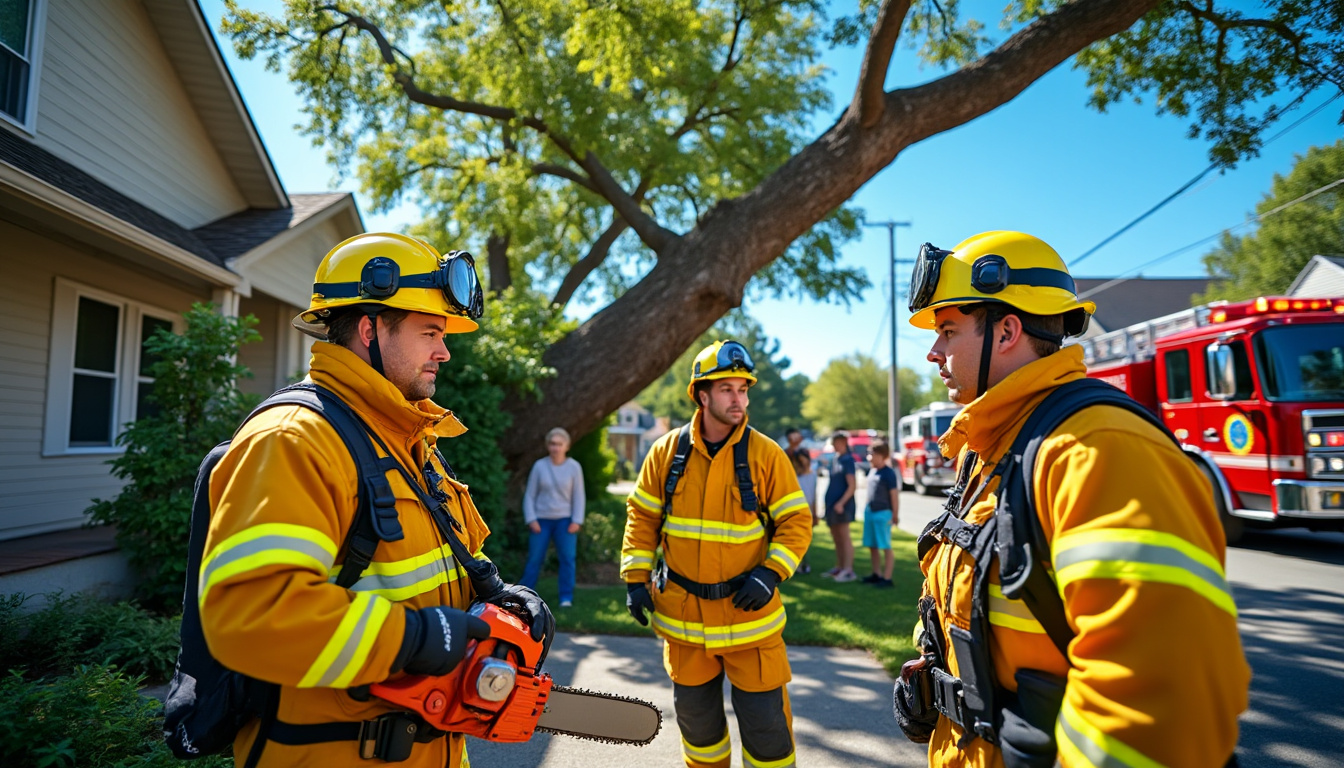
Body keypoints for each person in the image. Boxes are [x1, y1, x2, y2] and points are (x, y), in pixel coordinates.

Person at [895, 231, 1249, 766]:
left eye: (947, 330)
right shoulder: (993, 446)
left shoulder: (1099, 451)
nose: (933, 351)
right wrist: (934, 665)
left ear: (1008, 329)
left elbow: (1158, 702)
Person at [199, 233, 554, 767]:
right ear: (369, 330)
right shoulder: (295, 440)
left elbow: (430, 566)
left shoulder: (406, 440)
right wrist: (416, 638)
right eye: (430, 331)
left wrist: (496, 595)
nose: (445, 350)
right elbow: (251, 613)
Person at [620, 340, 813, 768]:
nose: (738, 399)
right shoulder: (666, 453)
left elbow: (796, 523)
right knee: (700, 735)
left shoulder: (766, 455)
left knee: (769, 738)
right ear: (702, 395)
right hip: (685, 624)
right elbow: (642, 519)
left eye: (743, 390)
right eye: (727, 389)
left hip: (751, 625)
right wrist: (635, 580)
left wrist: (770, 574)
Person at [521, 427, 586, 608]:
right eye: (552, 444)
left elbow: (578, 496)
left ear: (567, 446)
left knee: (567, 559)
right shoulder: (540, 466)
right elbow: (530, 495)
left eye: (559, 444)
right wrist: (531, 519)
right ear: (548, 446)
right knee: (534, 558)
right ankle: (523, 596)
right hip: (541, 521)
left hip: (565, 521)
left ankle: (566, 597)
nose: (555, 447)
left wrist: (577, 520)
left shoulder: (574, 467)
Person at [860, 440, 899, 588]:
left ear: (882, 456)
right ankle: (876, 574)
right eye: (869, 454)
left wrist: (895, 514)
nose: (869, 457)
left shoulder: (889, 474)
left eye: (873, 454)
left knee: (885, 546)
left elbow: (894, 496)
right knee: (872, 545)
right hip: (870, 512)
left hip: (883, 514)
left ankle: (887, 578)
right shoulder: (872, 470)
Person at [822, 431, 858, 582]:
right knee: (836, 537)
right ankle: (839, 567)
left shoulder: (848, 461)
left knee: (844, 538)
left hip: (843, 506)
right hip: (832, 505)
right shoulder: (836, 459)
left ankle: (848, 570)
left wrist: (841, 503)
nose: (833, 445)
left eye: (836, 442)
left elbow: (852, 486)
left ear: (843, 442)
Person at [783, 427, 818, 575]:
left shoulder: (810, 475)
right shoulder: (788, 471)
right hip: (790, 508)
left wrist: (815, 513)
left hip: (806, 508)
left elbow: (813, 494)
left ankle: (804, 564)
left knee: (804, 537)